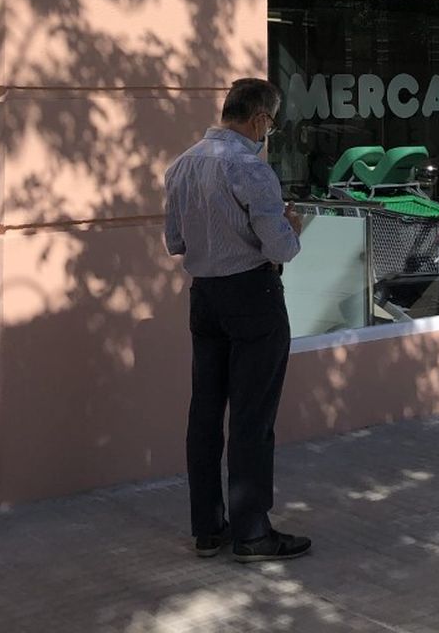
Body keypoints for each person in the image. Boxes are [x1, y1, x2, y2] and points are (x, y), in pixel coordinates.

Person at [163, 78, 311, 563]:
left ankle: (208, 528)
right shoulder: (250, 169)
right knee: (252, 416)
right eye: (273, 121)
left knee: (204, 413)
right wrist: (292, 227)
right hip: (252, 293)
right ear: (261, 119)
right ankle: (251, 531)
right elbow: (280, 247)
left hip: (204, 296)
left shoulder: (181, 165)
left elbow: (175, 242)